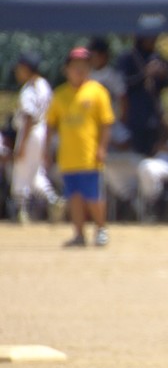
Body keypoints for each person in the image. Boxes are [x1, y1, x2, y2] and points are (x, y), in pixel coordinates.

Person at [45, 47, 115, 247]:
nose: (79, 71)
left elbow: (106, 123)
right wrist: (47, 151)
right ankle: (79, 234)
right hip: (68, 157)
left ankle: (101, 229)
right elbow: (50, 125)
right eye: (75, 67)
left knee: (93, 196)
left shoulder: (97, 92)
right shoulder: (59, 94)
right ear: (66, 69)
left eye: (84, 66)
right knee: (73, 197)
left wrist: (102, 148)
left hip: (89, 156)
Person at [10, 51, 62, 223]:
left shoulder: (29, 89)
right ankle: (53, 199)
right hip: (44, 130)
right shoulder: (44, 84)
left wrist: (22, 145)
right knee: (36, 172)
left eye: (20, 68)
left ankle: (21, 212)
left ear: (26, 68)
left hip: (30, 132)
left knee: (21, 170)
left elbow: (28, 118)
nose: (18, 72)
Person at [116, 33, 168, 157]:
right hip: (134, 115)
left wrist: (163, 75)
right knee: (134, 154)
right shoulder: (128, 58)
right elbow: (124, 84)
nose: (152, 40)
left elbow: (165, 86)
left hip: (154, 113)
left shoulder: (157, 57)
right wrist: (144, 73)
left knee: (154, 153)